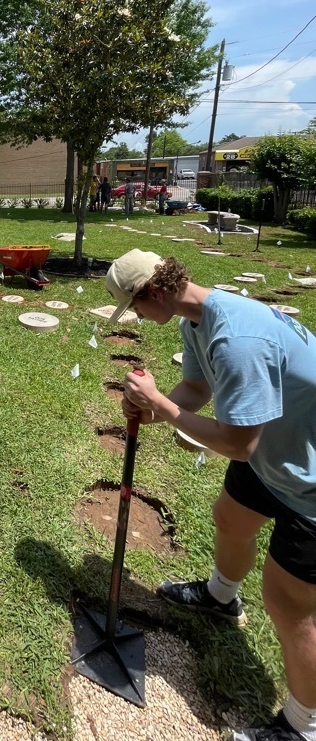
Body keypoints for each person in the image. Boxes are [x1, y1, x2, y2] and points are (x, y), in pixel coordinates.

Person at [105, 249, 316, 741]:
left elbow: (240, 445)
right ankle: (220, 599)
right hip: (275, 456)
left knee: (290, 603)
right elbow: (197, 389)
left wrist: (161, 405)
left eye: (134, 308)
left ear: (153, 293)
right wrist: (150, 409)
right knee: (231, 519)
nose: (137, 318)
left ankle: (304, 726)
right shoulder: (197, 317)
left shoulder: (236, 338)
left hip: (307, 474)